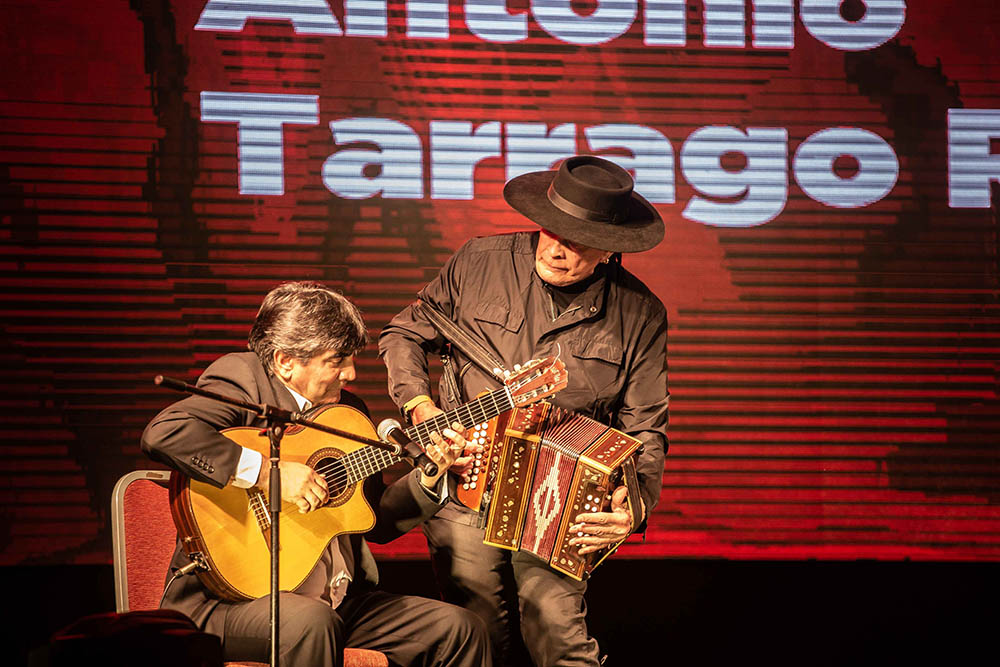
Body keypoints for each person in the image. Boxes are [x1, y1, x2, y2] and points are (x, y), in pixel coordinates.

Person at [378, 155, 669, 666]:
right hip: (466, 480)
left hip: (558, 502)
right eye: (551, 231)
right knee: (477, 635)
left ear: (610, 250)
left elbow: (644, 425)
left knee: (557, 632)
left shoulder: (640, 313)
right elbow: (404, 332)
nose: (558, 249)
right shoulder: (478, 261)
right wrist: (419, 405)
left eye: (578, 240)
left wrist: (632, 507)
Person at [141, 281, 492, 667]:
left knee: (458, 628)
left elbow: (374, 521)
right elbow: (166, 432)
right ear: (285, 361)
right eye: (337, 360)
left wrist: (428, 479)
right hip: (229, 604)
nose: (351, 373)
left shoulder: (349, 411)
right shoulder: (243, 379)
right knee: (310, 622)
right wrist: (267, 474)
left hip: (337, 603)